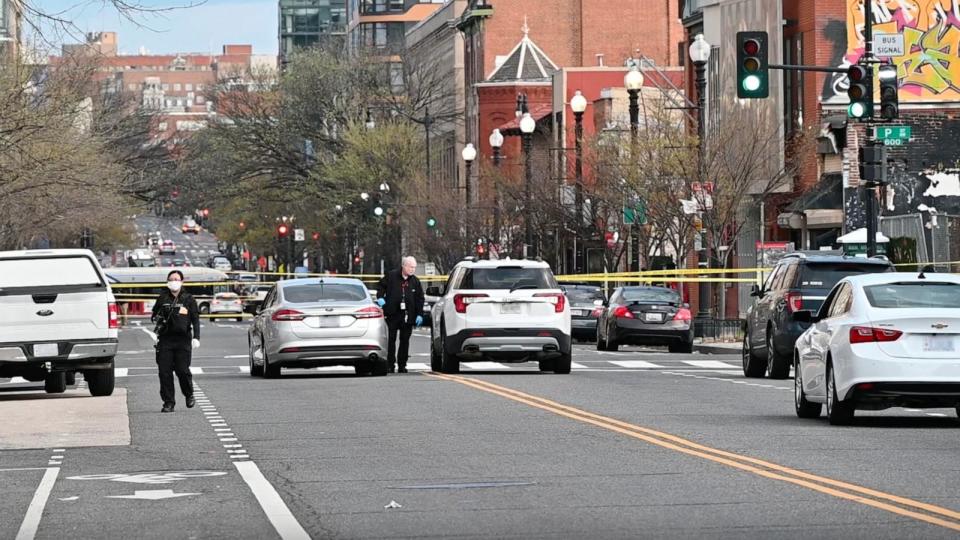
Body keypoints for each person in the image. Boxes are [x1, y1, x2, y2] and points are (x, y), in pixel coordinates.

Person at [150, 270, 200, 413]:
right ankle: (168, 402)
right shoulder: (162, 298)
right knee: (164, 372)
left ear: (182, 281)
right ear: (167, 281)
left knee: (182, 371)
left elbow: (195, 319)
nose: (174, 281)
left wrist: (196, 337)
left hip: (183, 340)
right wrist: (159, 317)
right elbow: (154, 315)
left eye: (177, 279)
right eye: (171, 279)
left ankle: (189, 394)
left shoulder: (188, 299)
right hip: (165, 339)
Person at [376, 256, 425, 373]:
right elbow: (380, 287)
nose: (413, 270)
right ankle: (390, 364)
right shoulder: (392, 276)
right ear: (404, 266)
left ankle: (402, 364)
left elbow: (420, 299)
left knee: (405, 340)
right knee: (391, 339)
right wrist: (381, 298)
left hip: (408, 315)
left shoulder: (415, 281)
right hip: (392, 313)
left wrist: (419, 314)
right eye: (411, 267)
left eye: (414, 267)